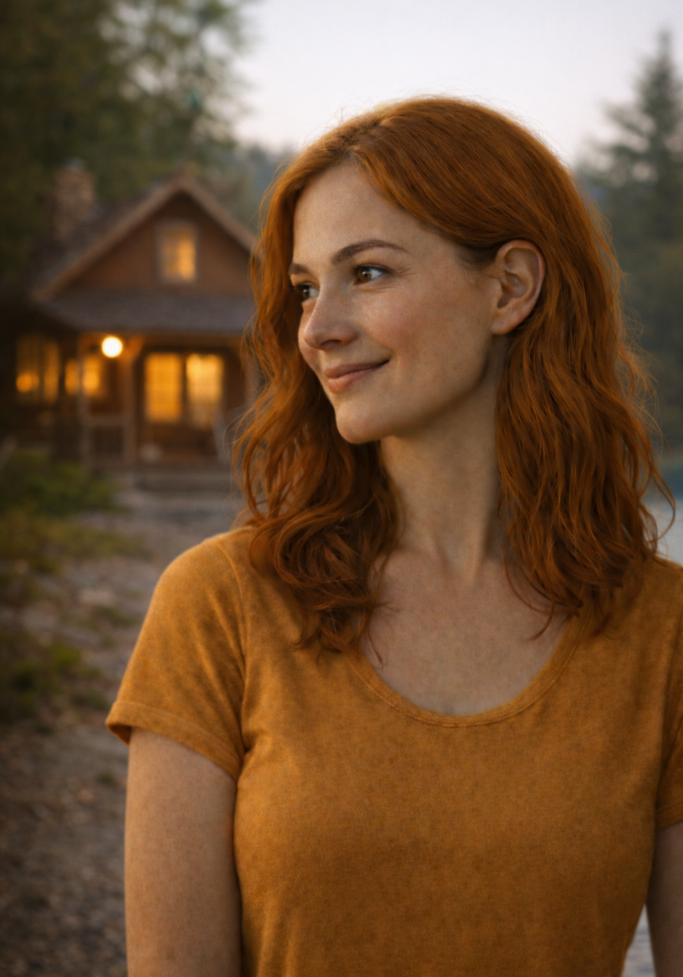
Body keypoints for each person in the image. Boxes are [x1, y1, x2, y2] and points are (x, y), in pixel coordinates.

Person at [107, 98, 683, 977]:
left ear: (509, 288)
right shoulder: (219, 606)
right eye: (304, 288)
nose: (316, 328)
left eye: (366, 274)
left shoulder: (662, 631)